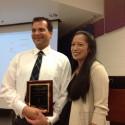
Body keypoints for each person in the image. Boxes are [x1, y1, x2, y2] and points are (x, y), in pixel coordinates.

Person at [0, 17, 71, 125]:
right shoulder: (18, 58)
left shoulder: (62, 60)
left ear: (51, 33)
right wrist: (24, 108)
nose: (36, 33)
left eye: (41, 30)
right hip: (20, 119)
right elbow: (6, 89)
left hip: (47, 119)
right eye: (34, 30)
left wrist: (49, 120)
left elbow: (64, 94)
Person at [59, 30, 109, 125]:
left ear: (89, 48)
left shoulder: (96, 69)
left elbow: (101, 108)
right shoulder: (76, 70)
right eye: (73, 44)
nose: (75, 48)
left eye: (80, 44)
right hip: (68, 118)